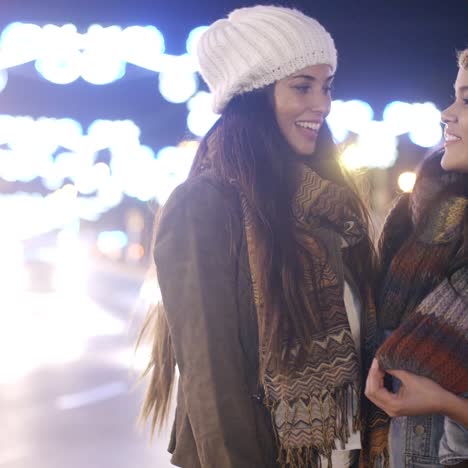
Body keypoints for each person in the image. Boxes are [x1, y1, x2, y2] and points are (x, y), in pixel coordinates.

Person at [139, 6, 384, 468]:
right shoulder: (205, 205)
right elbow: (213, 386)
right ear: (252, 95)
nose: (324, 104)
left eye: (326, 86)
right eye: (302, 86)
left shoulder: (331, 210)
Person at [365, 49, 468, 467]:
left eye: (467, 100)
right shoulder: (424, 211)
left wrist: (445, 402)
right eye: (454, 95)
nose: (447, 113)